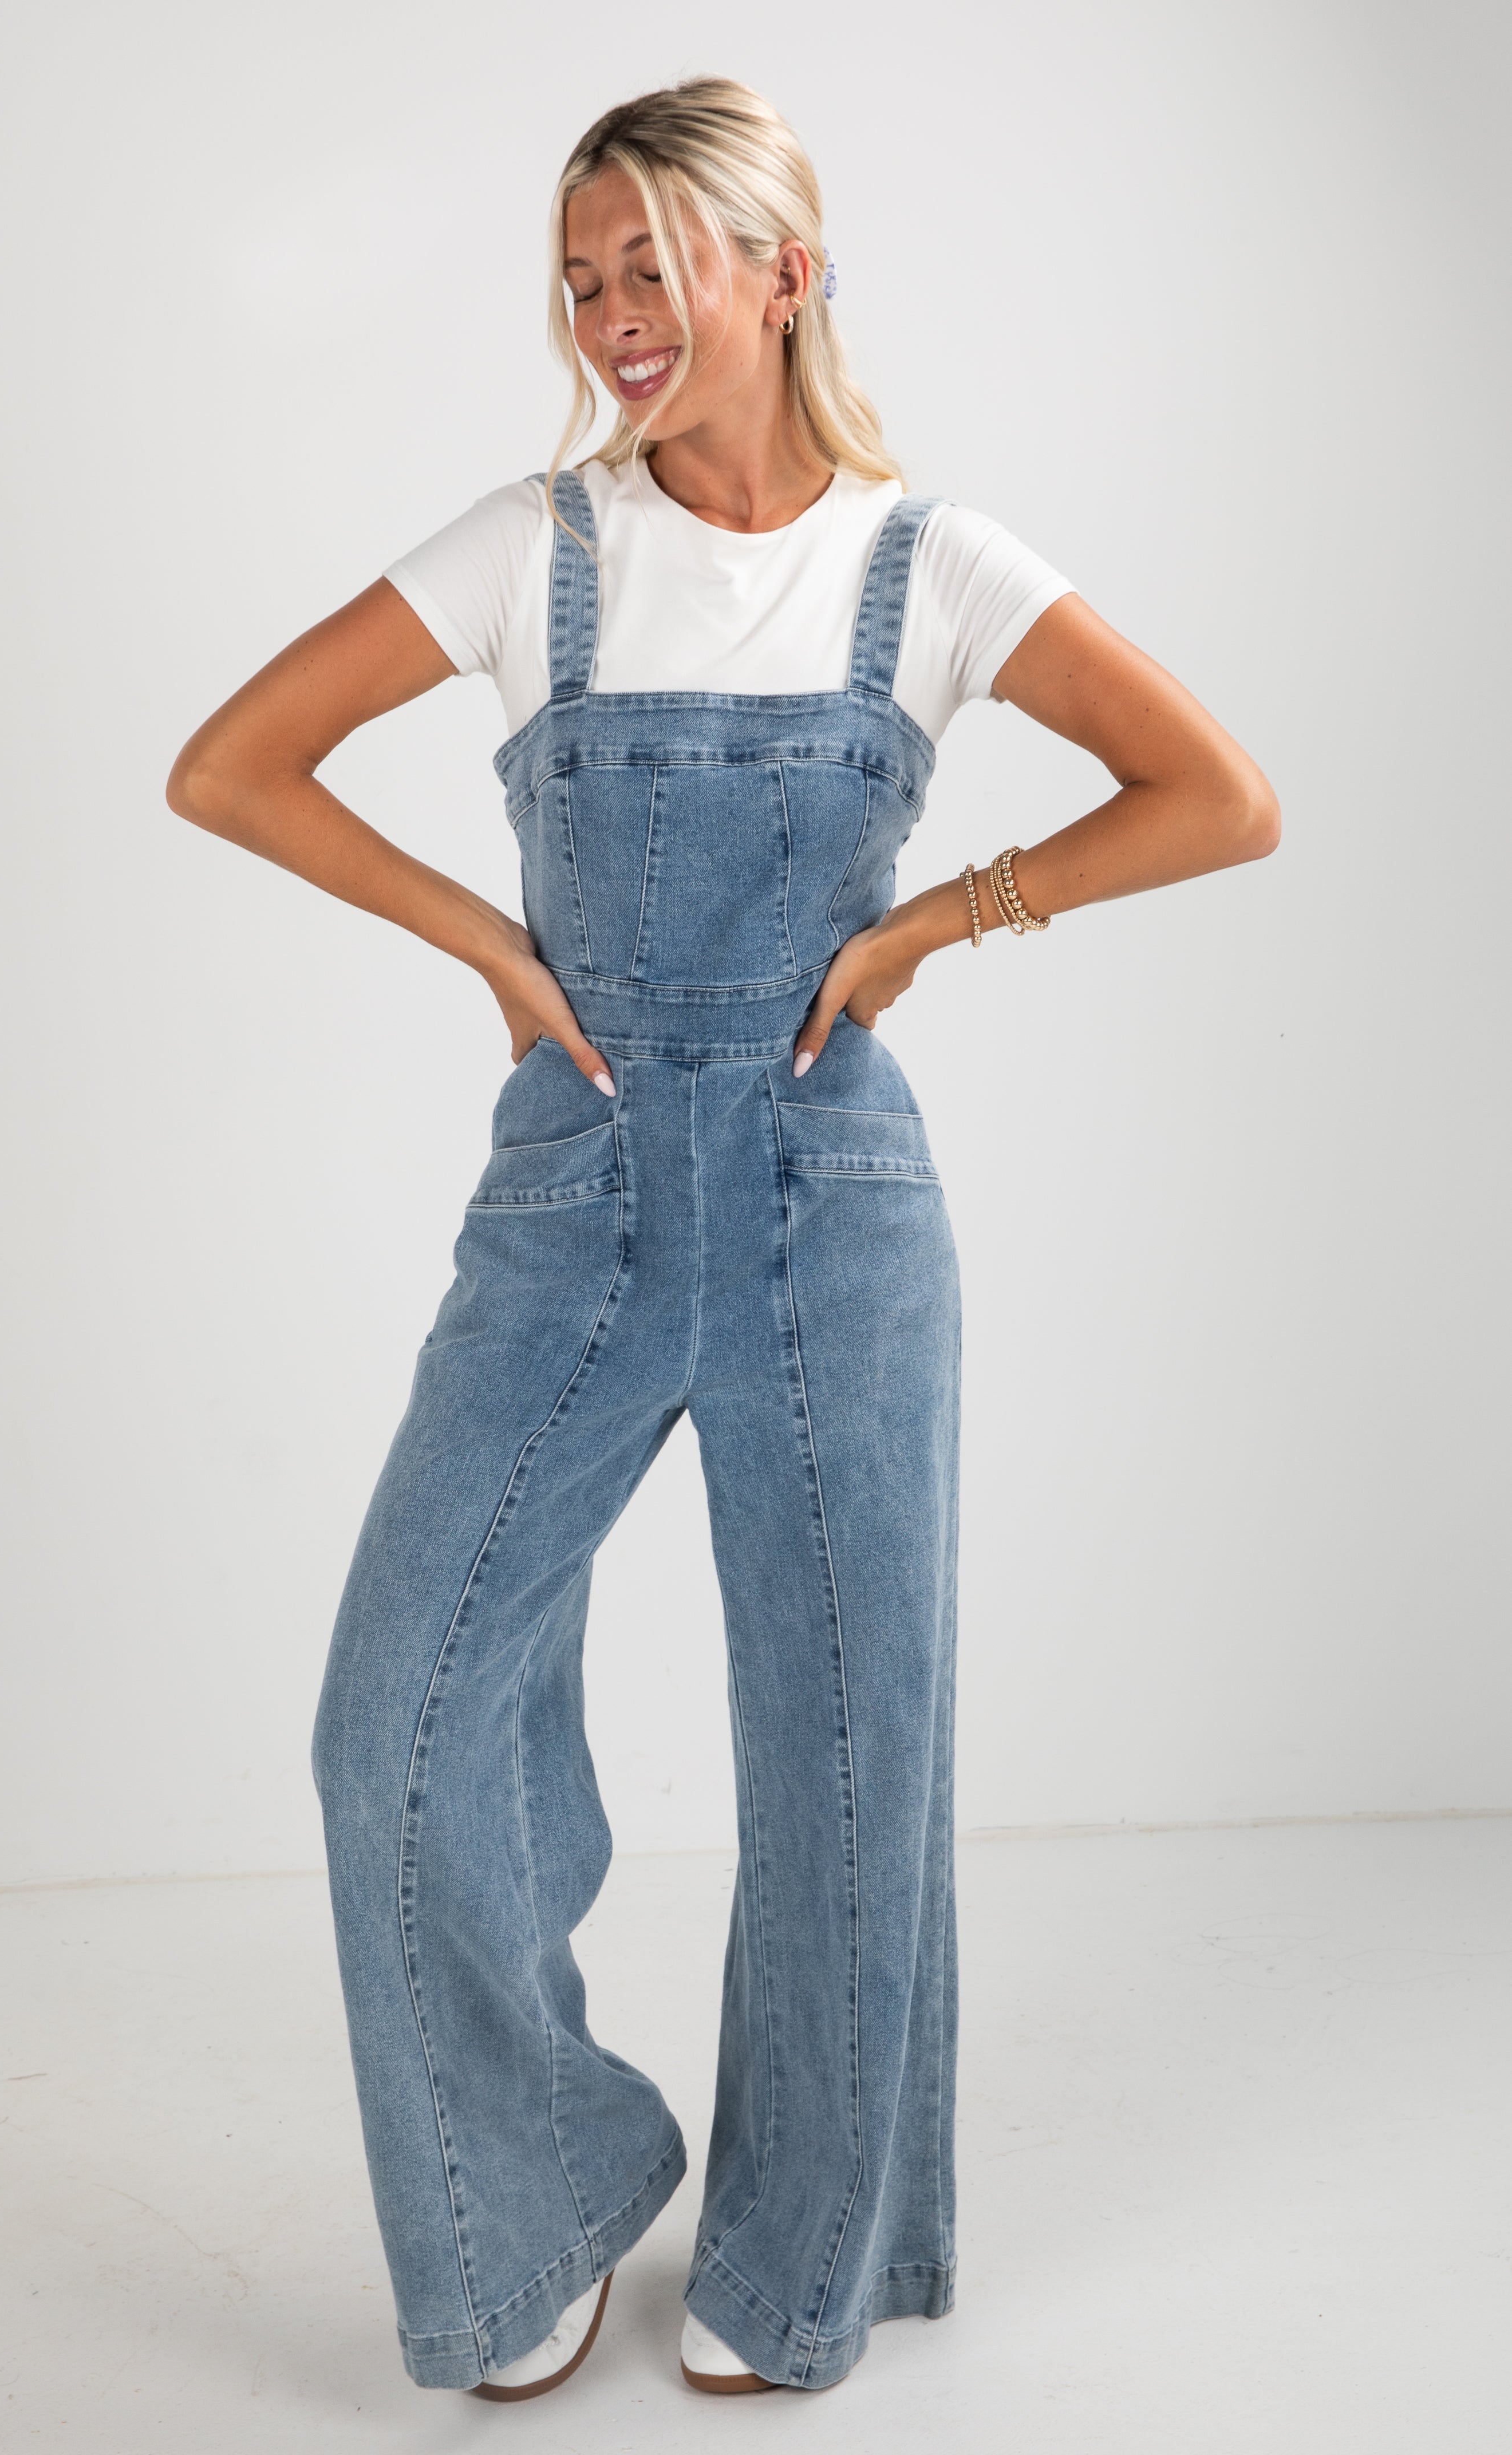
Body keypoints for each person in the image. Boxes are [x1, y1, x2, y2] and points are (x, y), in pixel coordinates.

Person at [167, 76, 1278, 2403]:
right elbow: (231, 764)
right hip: (568, 1191)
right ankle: (541, 2186)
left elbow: (1219, 795)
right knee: (394, 1720)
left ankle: (804, 2262)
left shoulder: (931, 562)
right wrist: (489, 942)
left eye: (650, 269)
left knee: (849, 1752)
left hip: (827, 1195)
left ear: (785, 269)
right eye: (581, 280)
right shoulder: (529, 545)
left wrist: (941, 927)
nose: (610, 318)